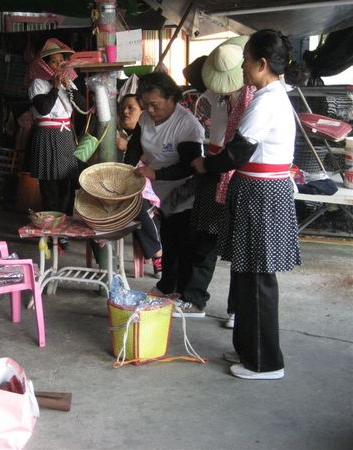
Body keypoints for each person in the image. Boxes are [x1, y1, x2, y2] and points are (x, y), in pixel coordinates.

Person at [191, 29, 303, 380]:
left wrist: (206, 165)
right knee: (246, 273)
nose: (242, 69)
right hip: (255, 189)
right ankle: (247, 348)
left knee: (257, 278)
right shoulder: (268, 95)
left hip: (263, 193)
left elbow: (239, 151)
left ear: (262, 63)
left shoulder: (267, 99)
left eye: (246, 62)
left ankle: (266, 362)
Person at [176, 36, 255, 322]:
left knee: (238, 245)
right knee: (204, 238)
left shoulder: (256, 99)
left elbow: (244, 149)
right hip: (213, 171)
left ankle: (236, 308)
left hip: (241, 175)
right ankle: (195, 299)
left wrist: (210, 163)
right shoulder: (212, 96)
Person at [128, 72, 204, 297]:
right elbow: (134, 147)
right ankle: (167, 284)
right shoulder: (144, 119)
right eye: (145, 105)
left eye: (155, 105)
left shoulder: (187, 125)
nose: (150, 110)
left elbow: (189, 166)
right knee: (169, 240)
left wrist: (155, 172)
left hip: (184, 190)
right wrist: (127, 169)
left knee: (184, 243)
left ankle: (183, 291)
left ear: (172, 98)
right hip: (159, 188)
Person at [26, 38, 86, 215]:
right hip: (47, 135)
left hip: (65, 135)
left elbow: (82, 105)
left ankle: (64, 227)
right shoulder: (38, 83)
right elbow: (43, 108)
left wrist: (69, 87)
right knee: (50, 184)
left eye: (62, 61)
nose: (59, 64)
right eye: (54, 61)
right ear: (45, 64)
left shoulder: (69, 82)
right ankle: (52, 229)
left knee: (67, 182)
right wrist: (54, 87)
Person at [117, 94, 162, 277]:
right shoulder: (114, 132)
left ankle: (158, 253)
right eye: (123, 108)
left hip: (149, 183)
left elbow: (154, 157)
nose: (125, 112)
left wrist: (126, 147)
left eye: (131, 108)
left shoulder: (148, 131)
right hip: (122, 185)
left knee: (139, 203)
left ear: (142, 113)